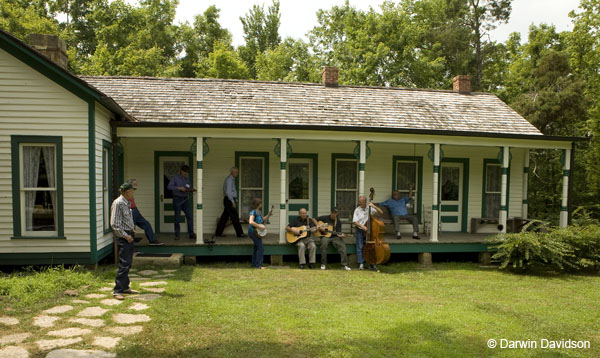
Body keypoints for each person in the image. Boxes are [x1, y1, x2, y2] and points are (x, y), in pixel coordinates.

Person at [110, 182, 140, 300]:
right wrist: (126, 236)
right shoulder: (118, 203)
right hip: (124, 237)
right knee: (124, 264)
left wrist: (132, 229)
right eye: (132, 191)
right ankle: (117, 290)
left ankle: (125, 287)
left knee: (128, 263)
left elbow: (125, 219)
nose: (133, 193)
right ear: (127, 192)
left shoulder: (126, 202)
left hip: (129, 234)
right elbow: (115, 224)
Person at [127, 178, 163, 246]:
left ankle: (152, 240)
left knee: (146, 224)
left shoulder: (132, 191)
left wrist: (136, 209)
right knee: (132, 229)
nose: (136, 185)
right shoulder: (127, 191)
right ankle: (131, 248)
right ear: (130, 184)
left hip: (135, 211)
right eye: (135, 183)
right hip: (130, 211)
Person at [353, 195, 384, 271]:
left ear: (365, 201)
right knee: (360, 246)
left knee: (371, 247)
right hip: (360, 230)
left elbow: (381, 213)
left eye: (361, 202)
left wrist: (374, 206)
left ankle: (372, 263)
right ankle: (361, 264)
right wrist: (362, 226)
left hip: (371, 231)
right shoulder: (357, 210)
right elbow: (355, 222)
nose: (359, 203)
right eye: (359, 202)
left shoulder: (370, 208)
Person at [214, 167, 245, 239]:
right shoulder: (229, 180)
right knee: (235, 217)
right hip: (229, 200)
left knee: (224, 218)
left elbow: (232, 191)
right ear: (232, 172)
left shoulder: (231, 179)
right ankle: (240, 234)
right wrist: (232, 201)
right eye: (236, 172)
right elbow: (228, 192)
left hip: (229, 200)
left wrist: (234, 199)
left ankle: (218, 233)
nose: (238, 173)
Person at [167, 165, 196, 240]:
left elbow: (188, 187)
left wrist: (191, 189)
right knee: (177, 217)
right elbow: (169, 186)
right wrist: (179, 188)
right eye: (184, 172)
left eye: (186, 173)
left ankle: (191, 233)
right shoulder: (175, 178)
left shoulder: (187, 179)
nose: (185, 174)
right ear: (181, 171)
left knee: (189, 216)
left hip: (185, 199)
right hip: (177, 198)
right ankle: (177, 235)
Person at [248, 198, 273, 269]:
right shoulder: (253, 212)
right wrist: (259, 226)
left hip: (257, 232)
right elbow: (251, 222)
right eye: (260, 203)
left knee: (256, 247)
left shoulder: (259, 212)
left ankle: (254, 264)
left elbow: (263, 220)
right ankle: (259, 265)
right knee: (260, 247)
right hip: (253, 232)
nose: (261, 204)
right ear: (257, 204)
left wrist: (268, 215)